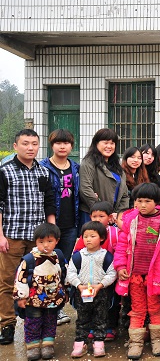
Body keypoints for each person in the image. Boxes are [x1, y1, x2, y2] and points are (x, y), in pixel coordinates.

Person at [0, 129, 56, 346]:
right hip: (12, 236)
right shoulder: (5, 171)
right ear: (16, 146)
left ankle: (34, 323)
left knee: (37, 281)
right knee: (7, 282)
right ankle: (7, 324)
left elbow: (49, 202)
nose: (30, 148)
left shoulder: (43, 172)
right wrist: (1, 235)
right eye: (25, 143)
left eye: (34, 143)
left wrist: (51, 231)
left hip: (37, 239)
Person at [114, 183, 160, 359]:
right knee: (137, 308)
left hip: (156, 275)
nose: (142, 205)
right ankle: (135, 342)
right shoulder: (131, 221)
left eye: (147, 201)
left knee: (155, 307)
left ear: (157, 202)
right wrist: (120, 266)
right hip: (135, 274)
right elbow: (121, 246)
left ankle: (158, 340)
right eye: (139, 201)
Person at [39, 129, 80, 326]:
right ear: (52, 145)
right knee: (48, 266)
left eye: (66, 143)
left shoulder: (76, 168)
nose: (62, 146)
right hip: (49, 225)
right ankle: (50, 307)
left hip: (71, 225)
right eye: (58, 143)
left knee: (63, 266)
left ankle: (60, 305)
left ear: (71, 146)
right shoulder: (43, 167)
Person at [13, 222, 67, 361]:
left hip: (53, 298)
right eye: (41, 242)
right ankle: (33, 346)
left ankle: (48, 345)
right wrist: (21, 297)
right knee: (33, 322)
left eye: (50, 241)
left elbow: (63, 275)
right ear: (36, 241)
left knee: (50, 321)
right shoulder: (30, 259)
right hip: (33, 300)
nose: (45, 245)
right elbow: (20, 279)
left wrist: (65, 292)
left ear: (57, 241)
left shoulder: (58, 257)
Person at [67, 221, 117, 358]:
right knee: (82, 318)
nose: (88, 239)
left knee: (101, 318)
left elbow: (112, 273)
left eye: (92, 236)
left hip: (101, 292)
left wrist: (100, 285)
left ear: (102, 238)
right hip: (82, 292)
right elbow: (71, 273)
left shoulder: (107, 256)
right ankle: (80, 342)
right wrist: (78, 285)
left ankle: (99, 341)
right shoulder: (77, 256)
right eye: (85, 236)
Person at [79, 128, 129, 226]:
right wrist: (104, 212)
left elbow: (124, 194)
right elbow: (85, 189)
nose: (109, 146)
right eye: (105, 143)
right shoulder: (89, 162)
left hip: (113, 218)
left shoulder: (117, 166)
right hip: (93, 215)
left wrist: (118, 214)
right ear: (96, 143)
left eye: (112, 143)